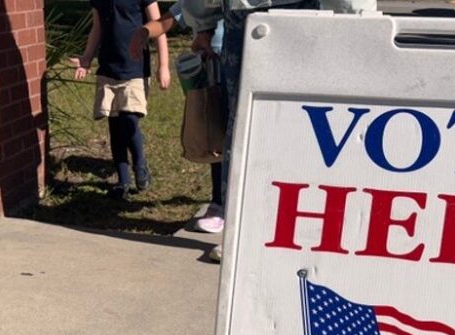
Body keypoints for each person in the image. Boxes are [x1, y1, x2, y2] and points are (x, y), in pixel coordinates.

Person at [133, 0, 323, 261]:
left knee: (301, 123)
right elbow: (180, 15)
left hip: (301, 14)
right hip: (245, 21)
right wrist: (203, 27)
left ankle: (302, 229)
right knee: (241, 127)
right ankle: (238, 230)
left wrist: (351, 16)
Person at [131, 8, 226, 236]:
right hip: (209, 71)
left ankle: (230, 202)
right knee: (214, 134)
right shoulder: (194, 2)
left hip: (238, 63)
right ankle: (219, 203)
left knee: (238, 134)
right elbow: (167, 21)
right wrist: (144, 31)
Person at [72, 0, 171, 200]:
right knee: (114, 123)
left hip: (134, 68)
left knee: (129, 119)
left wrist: (164, 65)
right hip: (108, 68)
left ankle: (140, 164)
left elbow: (159, 26)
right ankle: (122, 181)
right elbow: (97, 28)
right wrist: (87, 58)